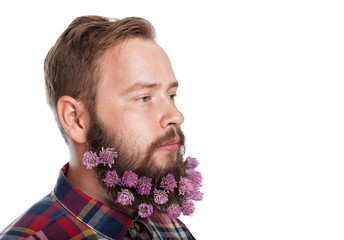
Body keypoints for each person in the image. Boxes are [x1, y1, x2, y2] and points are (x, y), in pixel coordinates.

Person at [0, 15, 202, 239]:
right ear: (75, 119)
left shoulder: (170, 227)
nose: (176, 116)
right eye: (143, 98)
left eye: (171, 95)